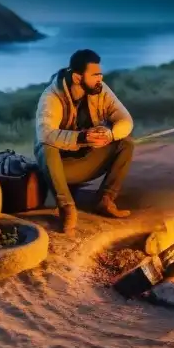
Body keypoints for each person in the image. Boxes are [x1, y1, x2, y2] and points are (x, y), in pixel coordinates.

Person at [35, 48, 135, 234]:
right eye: (95, 74)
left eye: (101, 74)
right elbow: (45, 134)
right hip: (61, 169)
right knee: (45, 147)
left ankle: (105, 201)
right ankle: (66, 208)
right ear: (77, 78)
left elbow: (126, 120)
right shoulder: (51, 97)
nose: (100, 78)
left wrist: (109, 134)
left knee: (126, 142)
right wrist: (82, 138)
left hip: (87, 161)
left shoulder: (100, 90)